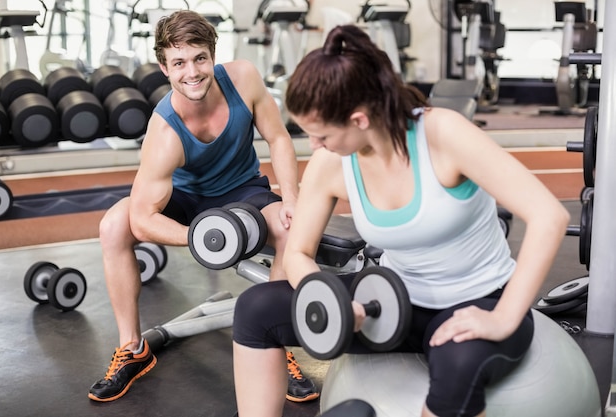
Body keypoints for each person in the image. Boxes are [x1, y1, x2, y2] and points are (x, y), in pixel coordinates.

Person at [231, 24, 570, 417]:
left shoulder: (441, 135)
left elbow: (549, 215)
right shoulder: (331, 163)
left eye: (322, 135)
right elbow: (299, 253)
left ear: (358, 119)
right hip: (392, 301)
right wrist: (335, 302)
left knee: (457, 368)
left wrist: (504, 317)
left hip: (478, 298)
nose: (315, 147)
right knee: (256, 309)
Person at [88, 10, 319, 403]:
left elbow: (279, 140)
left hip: (243, 190)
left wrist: (292, 199)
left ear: (213, 56)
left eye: (199, 58)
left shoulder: (243, 79)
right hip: (186, 201)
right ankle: (133, 349)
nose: (191, 72)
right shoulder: (163, 133)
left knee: (287, 226)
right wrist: (203, 238)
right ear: (164, 67)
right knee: (114, 225)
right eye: (178, 63)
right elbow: (143, 221)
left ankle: (276, 348)